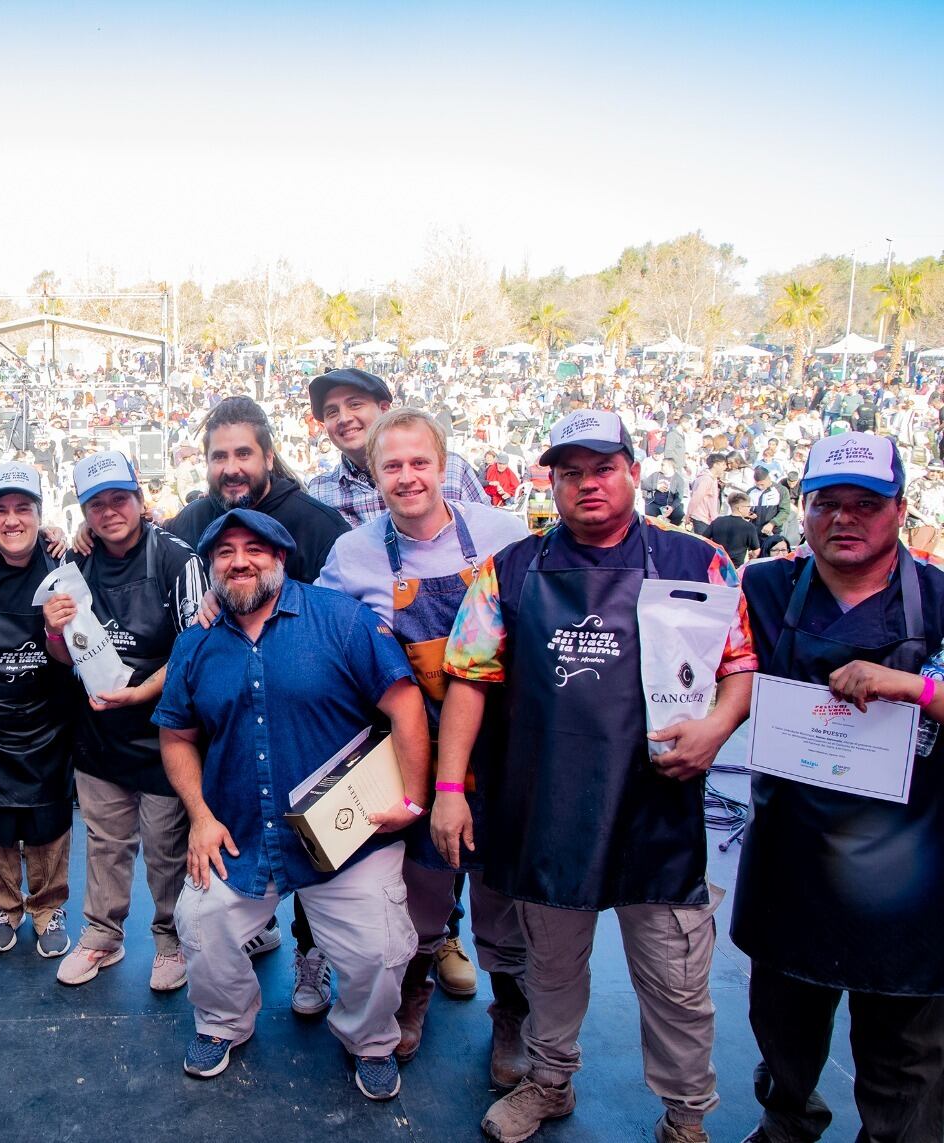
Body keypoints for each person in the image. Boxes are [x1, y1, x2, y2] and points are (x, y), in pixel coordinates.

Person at [438, 409, 758, 1143]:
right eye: (570, 471)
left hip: (659, 813)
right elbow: (468, 679)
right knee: (550, 968)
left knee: (676, 981)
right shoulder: (508, 571)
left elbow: (739, 667)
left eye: (603, 467)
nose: (587, 484)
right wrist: (451, 789)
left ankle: (685, 1115)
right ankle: (549, 1081)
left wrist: (715, 726)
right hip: (549, 809)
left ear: (632, 471)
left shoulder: (699, 561)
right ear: (551, 480)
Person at [154, 508, 429, 1100]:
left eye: (255, 549)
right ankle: (224, 1023)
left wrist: (414, 797)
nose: (240, 561)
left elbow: (405, 706)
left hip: (348, 835)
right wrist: (200, 817)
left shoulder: (341, 619)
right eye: (225, 552)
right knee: (199, 926)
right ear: (211, 568)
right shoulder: (195, 643)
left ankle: (370, 1039)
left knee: (381, 951)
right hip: (242, 830)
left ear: (281, 558)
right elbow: (175, 735)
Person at [735, 432, 944, 1143]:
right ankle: (785, 1122)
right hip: (792, 857)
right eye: (827, 502)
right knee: (782, 1029)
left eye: (866, 503)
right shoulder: (763, 587)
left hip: (911, 869)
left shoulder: (941, 598)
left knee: (905, 1052)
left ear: (900, 511)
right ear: (804, 509)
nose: (845, 518)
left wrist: (915, 687)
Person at [317, 408, 532, 1088]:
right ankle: (415, 985)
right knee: (421, 887)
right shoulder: (352, 553)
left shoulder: (503, 534)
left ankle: (514, 1015)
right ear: (373, 475)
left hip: (500, 750)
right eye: (392, 466)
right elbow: (322, 642)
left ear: (444, 467)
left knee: (503, 893)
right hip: (407, 751)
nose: (407, 478)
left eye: (419, 463)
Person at [42, 450, 204, 992]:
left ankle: (169, 939)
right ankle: (102, 936)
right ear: (84, 511)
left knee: (166, 847)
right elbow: (66, 655)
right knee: (106, 841)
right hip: (98, 729)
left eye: (119, 498)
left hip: (163, 729)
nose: (109, 511)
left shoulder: (177, 559)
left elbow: (194, 650)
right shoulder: (75, 563)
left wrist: (140, 694)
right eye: (96, 503)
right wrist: (53, 632)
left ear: (139, 499)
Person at [0, 463, 79, 959]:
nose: (12, 520)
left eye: (23, 509)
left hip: (47, 718)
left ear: (39, 515)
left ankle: (49, 906)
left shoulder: (61, 560)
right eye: (0, 510)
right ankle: (3, 905)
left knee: (49, 821)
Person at [168, 396, 349, 584]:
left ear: (268, 458)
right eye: (219, 457)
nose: (231, 469)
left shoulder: (321, 528)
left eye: (243, 454)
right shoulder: (190, 522)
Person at [305, 368, 488, 529]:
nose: (344, 418)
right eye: (332, 412)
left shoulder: (452, 468)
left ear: (384, 409)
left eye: (355, 405)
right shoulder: (321, 492)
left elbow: (493, 538)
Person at [709, 493, 761, 567]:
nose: (750, 509)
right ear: (740, 508)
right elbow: (756, 551)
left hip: (716, 564)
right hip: (735, 568)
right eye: (748, 506)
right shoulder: (749, 527)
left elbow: (704, 539)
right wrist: (751, 555)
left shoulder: (718, 521)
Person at [688, 453, 728, 537]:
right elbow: (696, 498)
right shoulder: (706, 479)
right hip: (701, 518)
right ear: (715, 464)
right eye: (723, 464)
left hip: (708, 518)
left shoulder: (712, 479)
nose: (725, 467)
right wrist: (688, 514)